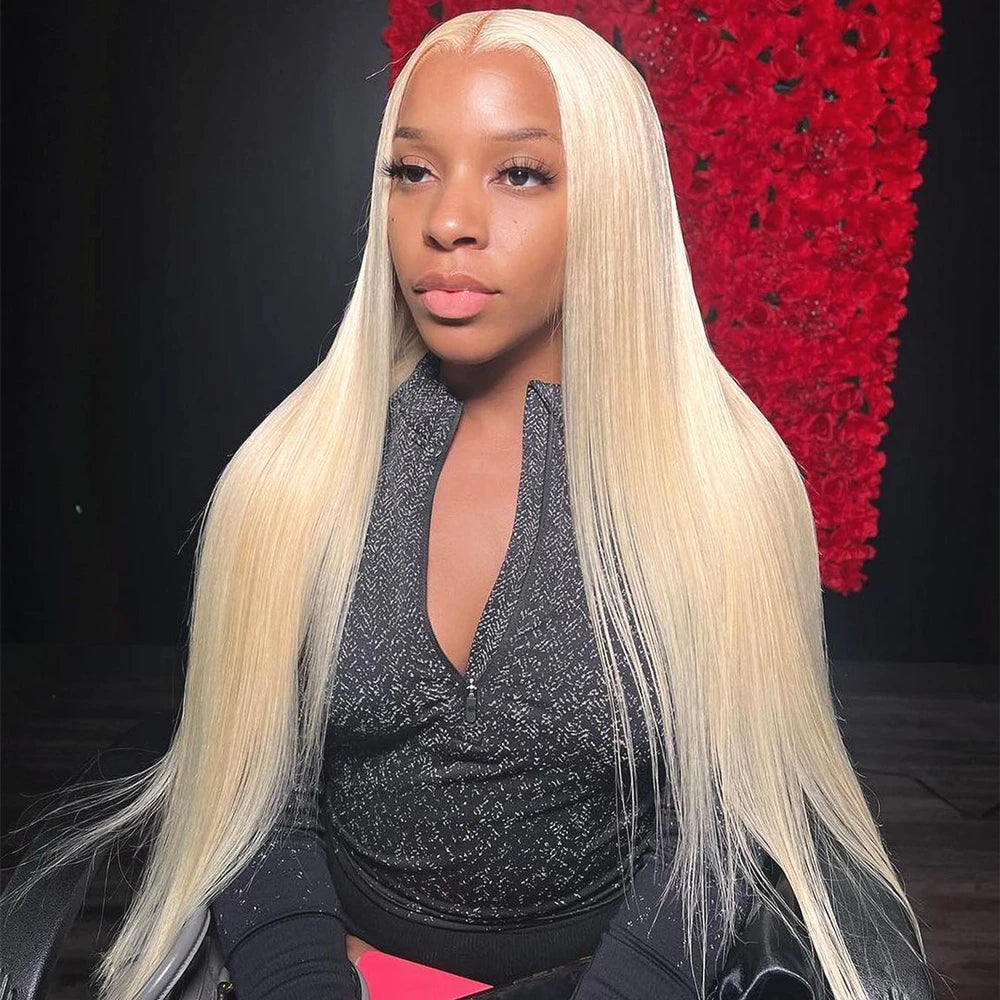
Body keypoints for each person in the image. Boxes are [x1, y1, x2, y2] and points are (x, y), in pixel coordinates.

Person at [4, 10, 935, 1000]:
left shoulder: (724, 490)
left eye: (519, 173)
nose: (447, 220)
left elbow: (715, 830)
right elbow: (255, 803)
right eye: (413, 170)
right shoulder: (287, 480)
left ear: (612, 202)